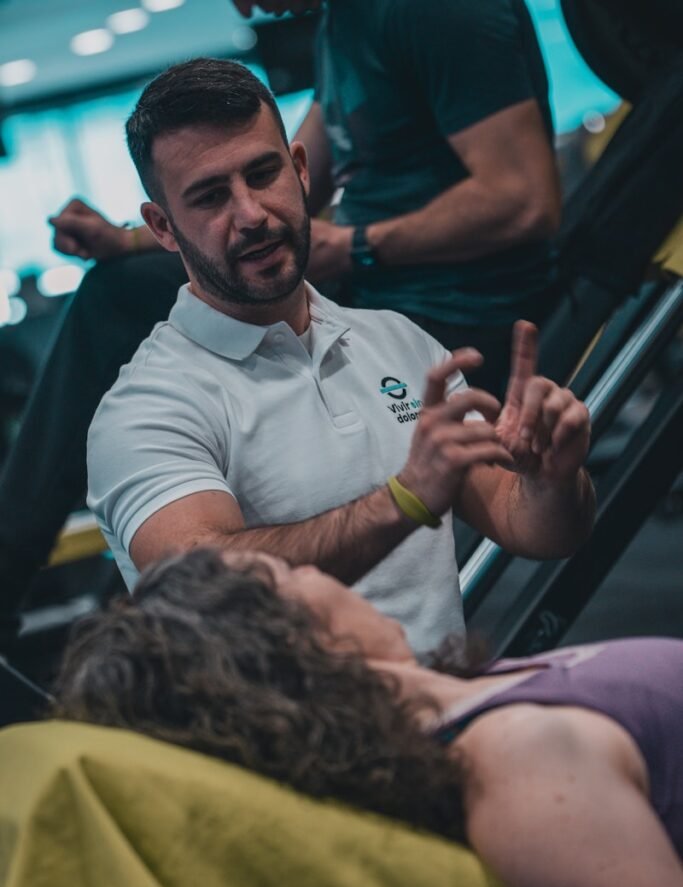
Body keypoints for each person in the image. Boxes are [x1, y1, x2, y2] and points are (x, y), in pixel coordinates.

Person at [0, 0, 561, 634]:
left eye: (263, 175)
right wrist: (128, 240)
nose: (243, 6)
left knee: (119, 292)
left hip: (442, 301)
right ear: (164, 224)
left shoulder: (431, 12)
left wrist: (356, 245)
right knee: (122, 284)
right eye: (207, 197)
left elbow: (525, 201)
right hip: (361, 288)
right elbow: (283, 180)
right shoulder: (345, 26)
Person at [53, 546, 683, 887]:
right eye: (291, 573)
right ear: (297, 641)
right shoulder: (523, 769)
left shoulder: (486, 697)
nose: (319, 571)